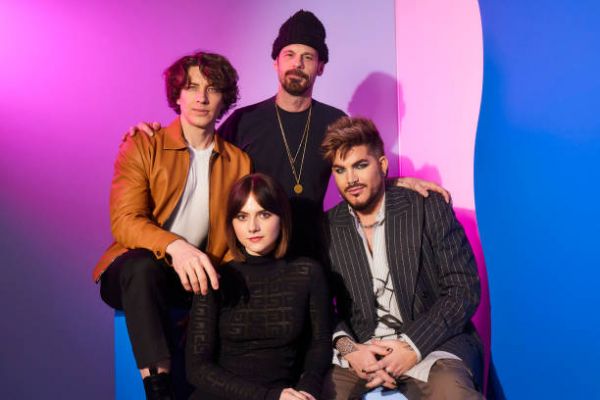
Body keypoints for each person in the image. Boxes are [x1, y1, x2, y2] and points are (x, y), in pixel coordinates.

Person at [131, 10, 449, 260]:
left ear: (320, 67)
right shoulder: (244, 121)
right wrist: (155, 134)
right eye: (290, 55)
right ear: (276, 63)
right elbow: (201, 159)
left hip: (314, 250)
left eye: (308, 57)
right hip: (252, 251)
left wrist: (397, 182)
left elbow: (357, 177)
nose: (298, 63)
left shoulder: (335, 121)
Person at [93, 51, 251, 399]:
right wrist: (176, 247)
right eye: (191, 87)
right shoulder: (144, 144)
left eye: (212, 89)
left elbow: (235, 237)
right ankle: (157, 388)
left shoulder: (238, 161)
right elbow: (125, 221)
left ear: (224, 97)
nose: (201, 97)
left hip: (197, 275)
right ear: (176, 95)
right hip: (136, 272)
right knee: (143, 267)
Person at [320, 117, 483, 399]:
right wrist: (350, 349)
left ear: (382, 165)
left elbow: (464, 289)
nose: (351, 179)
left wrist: (411, 347)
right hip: (362, 351)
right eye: (340, 170)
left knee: (455, 394)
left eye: (361, 165)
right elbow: (321, 307)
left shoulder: (427, 206)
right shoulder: (327, 228)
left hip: (433, 344)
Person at [186, 173, 332, 400]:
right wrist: (268, 397)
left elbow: (320, 344)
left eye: (263, 214)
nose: (252, 227)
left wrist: (306, 391)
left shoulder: (307, 272)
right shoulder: (217, 277)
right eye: (242, 216)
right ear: (231, 223)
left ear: (282, 217)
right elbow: (197, 368)